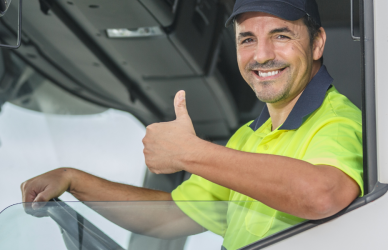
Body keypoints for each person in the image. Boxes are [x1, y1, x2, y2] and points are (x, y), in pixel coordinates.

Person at [21, 0, 363, 249]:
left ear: (317, 43)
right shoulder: (247, 138)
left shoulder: (337, 120)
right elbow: (170, 216)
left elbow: (323, 194)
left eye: (281, 36)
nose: (261, 55)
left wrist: (189, 153)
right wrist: (74, 178)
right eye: (247, 39)